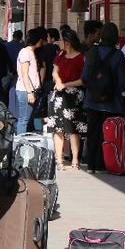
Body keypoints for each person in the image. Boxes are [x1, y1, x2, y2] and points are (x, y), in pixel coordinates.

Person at [81, 23, 125, 173]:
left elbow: (85, 77)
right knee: (107, 133)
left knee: (92, 132)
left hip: (92, 100)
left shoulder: (92, 51)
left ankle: (90, 165)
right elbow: (122, 82)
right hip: (111, 102)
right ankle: (104, 163)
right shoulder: (118, 55)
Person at [48, 29, 86, 170]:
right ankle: (59, 160)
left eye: (61, 40)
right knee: (57, 128)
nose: (59, 43)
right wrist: (58, 81)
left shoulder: (81, 57)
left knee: (73, 129)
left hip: (74, 96)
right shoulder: (60, 55)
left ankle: (75, 159)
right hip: (58, 96)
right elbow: (54, 71)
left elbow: (82, 80)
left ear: (67, 42)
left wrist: (66, 84)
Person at [14, 28, 44, 134]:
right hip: (25, 90)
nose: (43, 42)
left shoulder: (30, 52)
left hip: (28, 90)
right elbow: (24, 74)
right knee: (24, 119)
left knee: (25, 119)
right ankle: (20, 144)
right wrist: (29, 92)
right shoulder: (26, 52)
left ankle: (22, 143)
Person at [4, 30, 25, 112]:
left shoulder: (6, 45)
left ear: (13, 36)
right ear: (21, 37)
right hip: (19, 71)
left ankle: (6, 108)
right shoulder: (23, 46)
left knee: (6, 90)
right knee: (17, 91)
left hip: (8, 70)